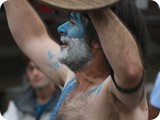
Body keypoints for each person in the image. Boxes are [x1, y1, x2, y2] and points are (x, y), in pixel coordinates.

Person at [4, 0, 149, 119]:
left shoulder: (117, 95)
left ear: (98, 40)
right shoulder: (72, 79)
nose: (61, 28)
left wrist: (94, 6)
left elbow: (130, 70)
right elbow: (32, 37)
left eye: (73, 22)